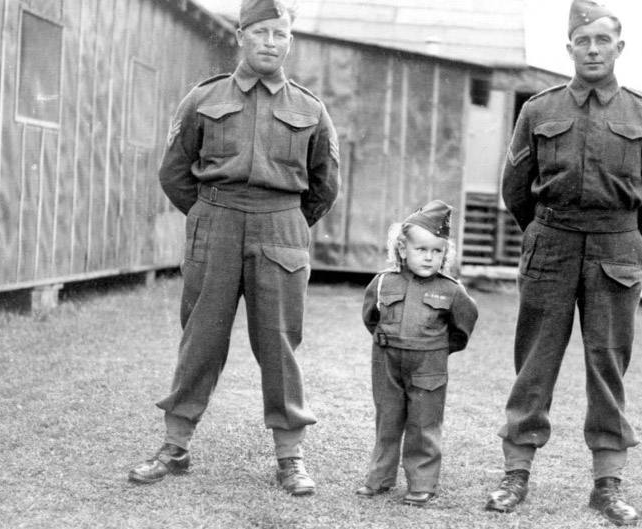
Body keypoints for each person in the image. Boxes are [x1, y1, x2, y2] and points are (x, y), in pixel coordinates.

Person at [127, 0, 340, 497]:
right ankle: (174, 446)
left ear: (290, 41)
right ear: (240, 35)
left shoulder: (310, 109)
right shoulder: (204, 98)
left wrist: (283, 220)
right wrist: (210, 215)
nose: (271, 43)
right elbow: (175, 173)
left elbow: (324, 186)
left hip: (281, 230)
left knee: (280, 344)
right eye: (261, 32)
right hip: (216, 225)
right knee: (201, 337)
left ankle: (291, 457)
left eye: (280, 35)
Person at [484, 0, 642, 525]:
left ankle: (608, 486)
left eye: (602, 41)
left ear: (620, 47)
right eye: (582, 41)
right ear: (569, 47)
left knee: (608, 365)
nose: (592, 50)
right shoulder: (539, 110)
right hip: (552, 242)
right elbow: (516, 189)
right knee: (534, 363)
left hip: (616, 248)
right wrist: (549, 230)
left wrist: (622, 233)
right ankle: (515, 476)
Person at [356, 200, 479, 507]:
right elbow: (372, 317)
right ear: (401, 249)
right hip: (386, 362)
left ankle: (422, 484)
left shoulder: (452, 291)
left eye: (437, 251)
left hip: (429, 366)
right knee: (388, 420)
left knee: (424, 425)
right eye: (421, 249)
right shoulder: (383, 282)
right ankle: (379, 479)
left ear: (445, 254)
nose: (428, 257)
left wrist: (434, 348)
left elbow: (462, 328)